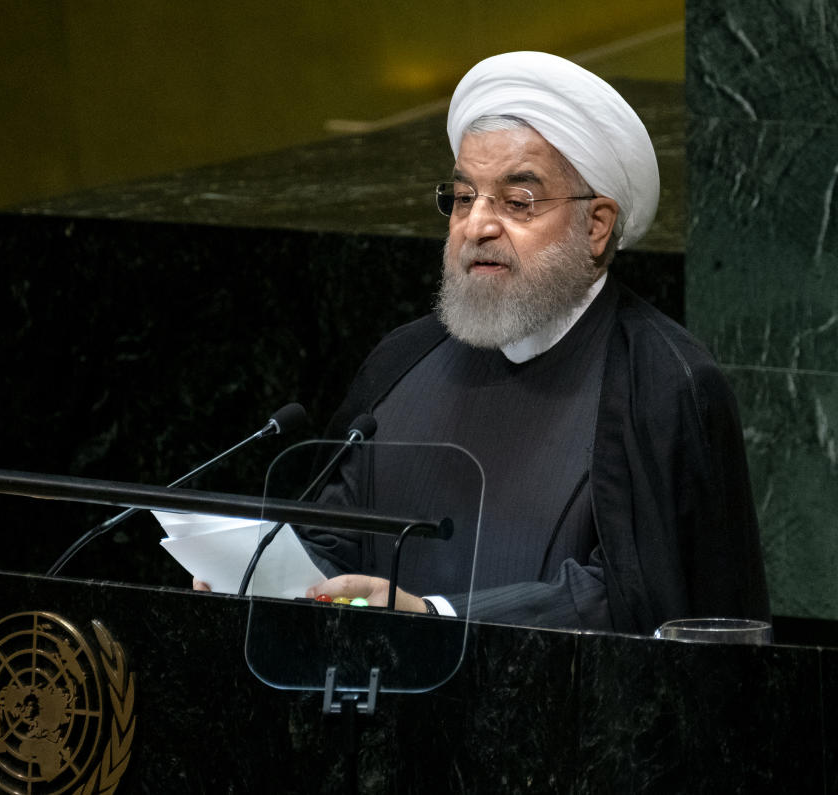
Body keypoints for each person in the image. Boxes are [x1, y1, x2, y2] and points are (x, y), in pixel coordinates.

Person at [302, 51, 770, 635]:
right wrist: (267, 573)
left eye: (518, 202)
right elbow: (332, 533)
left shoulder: (665, 382)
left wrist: (438, 618)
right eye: (465, 196)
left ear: (597, 226)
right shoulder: (404, 360)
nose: (478, 225)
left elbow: (641, 599)